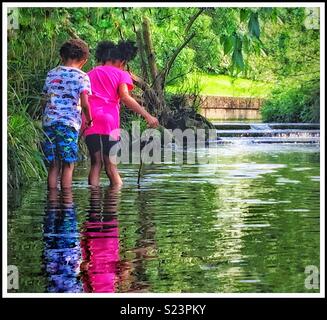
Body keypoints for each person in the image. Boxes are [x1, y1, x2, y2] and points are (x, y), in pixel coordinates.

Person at [81, 40, 159, 187]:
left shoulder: (88, 74)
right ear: (121, 61)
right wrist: (147, 116)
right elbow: (124, 96)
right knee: (111, 165)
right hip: (109, 121)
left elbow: (82, 98)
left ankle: (93, 203)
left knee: (95, 163)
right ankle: (115, 199)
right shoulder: (121, 74)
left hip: (89, 119)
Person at [42, 39, 93, 190]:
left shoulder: (52, 73)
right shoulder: (82, 76)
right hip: (68, 125)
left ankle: (51, 203)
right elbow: (84, 103)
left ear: (62, 56)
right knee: (68, 164)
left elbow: (43, 100)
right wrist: (89, 119)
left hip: (49, 123)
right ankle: (67, 201)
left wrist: (44, 117)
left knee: (53, 165)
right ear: (84, 60)